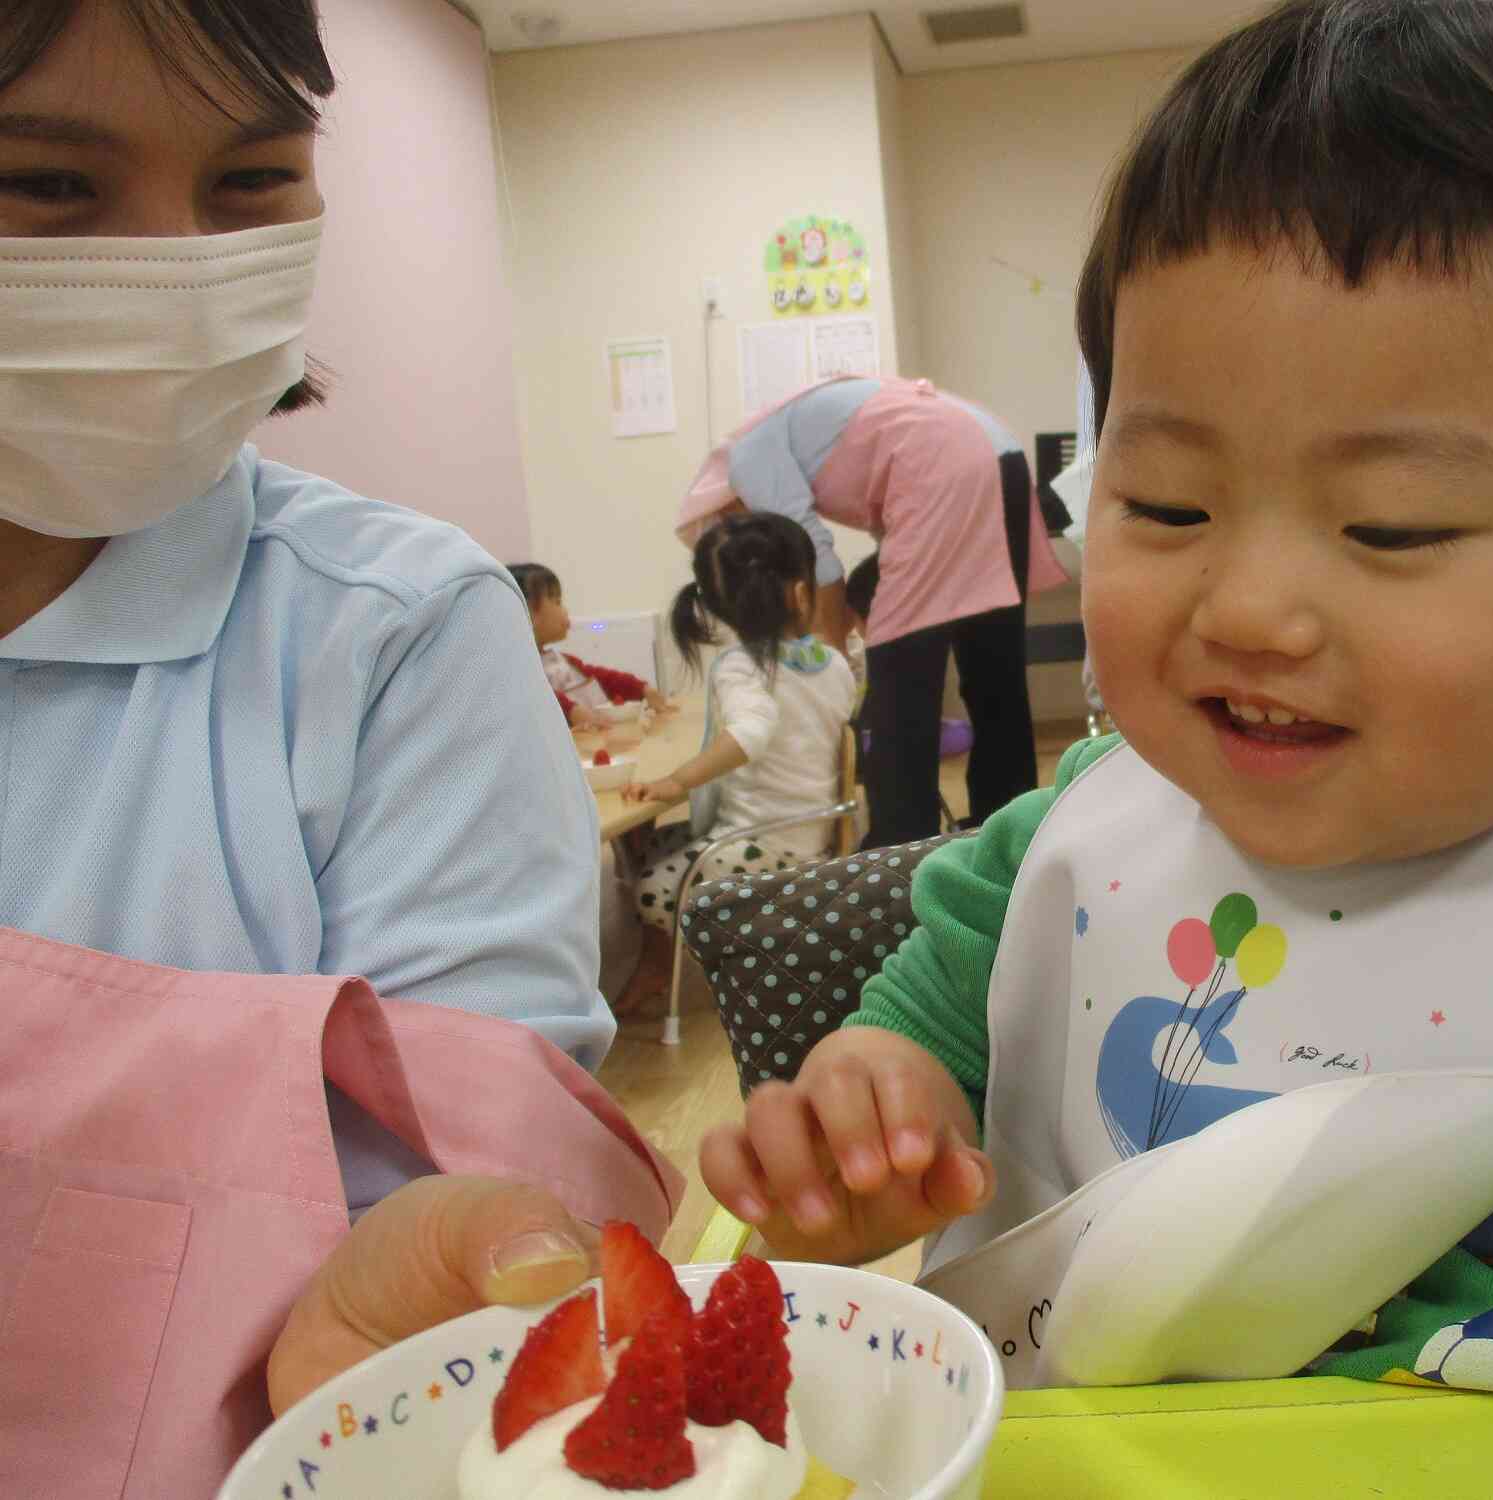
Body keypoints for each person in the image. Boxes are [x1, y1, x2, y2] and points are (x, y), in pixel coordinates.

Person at [700, 2, 1493, 1494]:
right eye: (1168, 506)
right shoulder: (1068, 846)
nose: (1247, 609)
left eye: (1392, 527)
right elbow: (927, 1027)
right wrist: (873, 1121)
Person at [0, 3, 675, 1493]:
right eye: (49, 186)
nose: (175, 272)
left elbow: (460, 1198)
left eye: (249, 183)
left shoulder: (394, 634)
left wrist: (436, 1285)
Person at [678, 376, 1067, 848]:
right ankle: (1009, 838)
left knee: (897, 686)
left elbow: (816, 558)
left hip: (941, 465)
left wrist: (830, 650)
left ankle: (900, 854)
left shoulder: (746, 459)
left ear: (722, 509)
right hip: (998, 452)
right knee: (994, 674)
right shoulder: (790, 421)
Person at [617, 514, 857, 1006]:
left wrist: (677, 781)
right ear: (800, 593)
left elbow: (752, 731)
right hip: (812, 832)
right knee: (650, 840)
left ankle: (663, 966)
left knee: (647, 886)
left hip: (763, 847)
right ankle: (675, 959)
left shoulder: (742, 666)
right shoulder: (835, 665)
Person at [508, 560, 670, 728]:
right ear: (526, 613)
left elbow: (602, 678)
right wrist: (573, 712)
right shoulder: (517, 674)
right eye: (557, 602)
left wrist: (641, 689)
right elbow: (540, 696)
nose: (565, 610)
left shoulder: (562, 660)